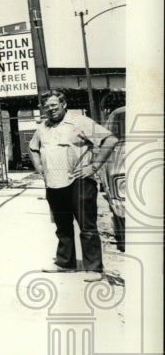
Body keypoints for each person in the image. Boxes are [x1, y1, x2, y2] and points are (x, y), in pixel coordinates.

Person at [28, 89, 118, 280]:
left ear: (63, 104)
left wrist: (94, 167)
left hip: (79, 182)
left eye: (54, 105)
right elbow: (33, 148)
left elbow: (110, 140)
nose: (50, 109)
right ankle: (64, 263)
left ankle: (94, 268)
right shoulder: (43, 127)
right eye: (46, 107)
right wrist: (39, 168)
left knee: (87, 227)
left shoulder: (80, 121)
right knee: (62, 226)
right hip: (53, 183)